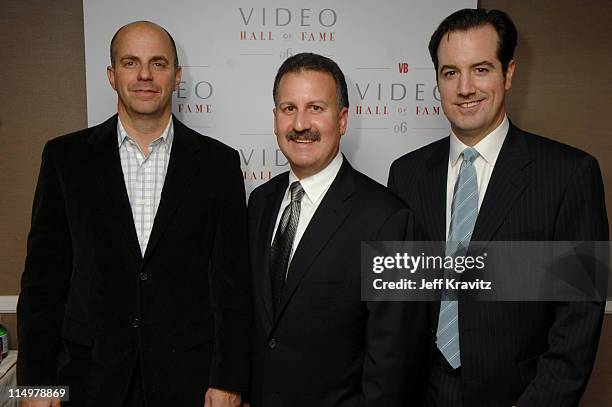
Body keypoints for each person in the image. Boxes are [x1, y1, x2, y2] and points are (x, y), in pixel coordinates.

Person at [17, 21, 250, 407]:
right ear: (112, 75)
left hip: (189, 383)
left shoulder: (218, 164)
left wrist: (229, 380)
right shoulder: (65, 159)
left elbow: (232, 287)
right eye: (131, 62)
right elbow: (43, 283)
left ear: (177, 77)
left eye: (158, 63)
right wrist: (35, 385)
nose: (144, 74)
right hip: (86, 379)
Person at [388, 8, 608, 407]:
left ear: (508, 74)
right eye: (450, 72)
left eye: (481, 69)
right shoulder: (406, 174)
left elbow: (578, 322)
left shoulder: (570, 174)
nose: (465, 87)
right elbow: (398, 301)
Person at [246, 52, 428, 407]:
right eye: (288, 108)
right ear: (275, 118)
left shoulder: (390, 220)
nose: (300, 123)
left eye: (316, 108)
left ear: (342, 120)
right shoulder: (260, 202)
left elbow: (395, 365)